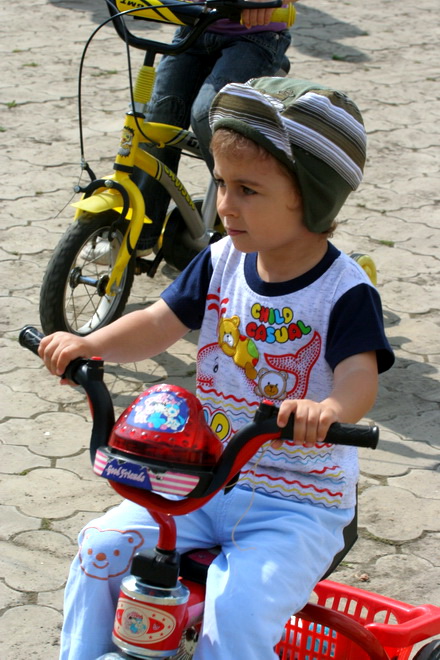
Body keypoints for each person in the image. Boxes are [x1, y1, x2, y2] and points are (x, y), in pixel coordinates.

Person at [39, 76, 394, 660]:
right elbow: (158, 322)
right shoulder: (221, 260)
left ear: (312, 198)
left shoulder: (344, 290)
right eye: (221, 184)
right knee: (101, 548)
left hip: (297, 505)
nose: (224, 204)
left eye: (248, 190)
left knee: (237, 610)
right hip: (200, 484)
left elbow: (359, 375)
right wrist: (89, 345)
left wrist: (329, 410)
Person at [131, 0, 299, 252]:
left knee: (207, 113)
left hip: (254, 36)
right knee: (156, 118)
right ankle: (139, 237)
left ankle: (245, 209)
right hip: (192, 26)